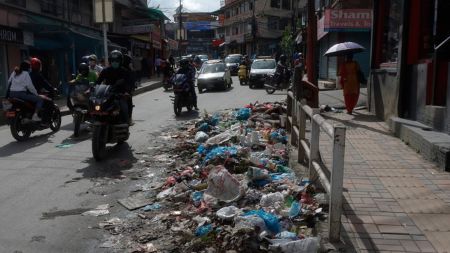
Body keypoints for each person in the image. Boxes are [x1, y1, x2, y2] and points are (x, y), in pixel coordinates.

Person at [96, 50, 134, 123]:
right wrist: (93, 88)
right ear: (110, 61)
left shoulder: (125, 71)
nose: (115, 62)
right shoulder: (105, 70)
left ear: (120, 61)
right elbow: (98, 81)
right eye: (113, 60)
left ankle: (128, 120)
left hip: (120, 94)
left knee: (125, 106)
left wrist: (127, 92)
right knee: (97, 107)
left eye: (117, 60)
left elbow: (129, 83)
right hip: (107, 94)